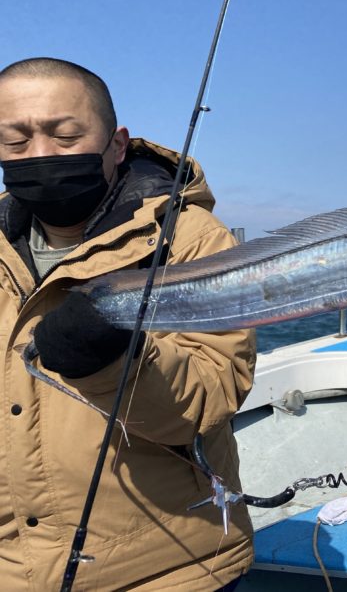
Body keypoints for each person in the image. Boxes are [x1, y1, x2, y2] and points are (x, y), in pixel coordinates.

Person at [0, 58, 255, 590]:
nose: (41, 154)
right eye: (16, 141)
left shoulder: (192, 240)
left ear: (116, 145)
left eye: (65, 135)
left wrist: (112, 359)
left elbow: (211, 398)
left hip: (167, 570)